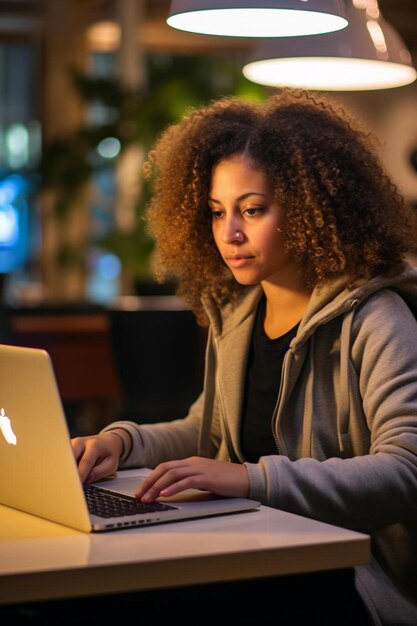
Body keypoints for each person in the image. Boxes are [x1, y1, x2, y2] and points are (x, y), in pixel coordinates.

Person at [72, 90, 417, 626]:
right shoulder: (239, 313)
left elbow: (405, 471)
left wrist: (252, 479)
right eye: (216, 212)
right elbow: (204, 429)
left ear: (310, 210)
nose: (229, 234)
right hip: (255, 546)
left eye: (252, 210)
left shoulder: (376, 319)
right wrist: (124, 442)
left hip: (353, 578)